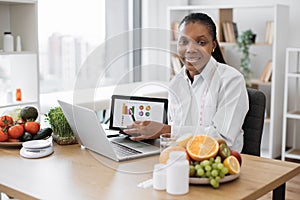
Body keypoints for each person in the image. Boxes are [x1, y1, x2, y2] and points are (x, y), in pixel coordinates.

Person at [123, 13, 249, 152]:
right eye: (183, 41)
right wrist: (149, 134)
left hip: (218, 162)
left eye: (201, 42)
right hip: (181, 158)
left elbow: (224, 139)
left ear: (213, 46)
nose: (190, 50)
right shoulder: (176, 83)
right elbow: (176, 135)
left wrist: (166, 130)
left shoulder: (231, 80)